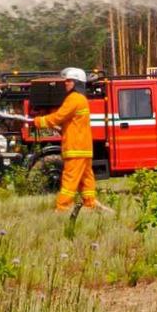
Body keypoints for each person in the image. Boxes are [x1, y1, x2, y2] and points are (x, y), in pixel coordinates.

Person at [31, 67, 97, 211]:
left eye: (69, 81)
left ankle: (62, 207)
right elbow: (67, 121)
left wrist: (38, 121)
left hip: (75, 148)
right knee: (87, 180)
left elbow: (58, 117)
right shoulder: (82, 99)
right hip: (84, 148)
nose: (65, 83)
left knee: (70, 179)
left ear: (77, 83)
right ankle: (90, 204)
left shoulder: (73, 99)